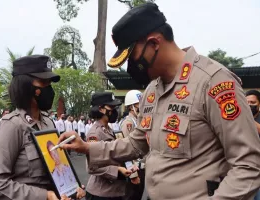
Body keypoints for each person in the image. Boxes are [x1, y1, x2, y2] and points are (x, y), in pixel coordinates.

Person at [57, 3, 260, 200]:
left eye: (132, 57)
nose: (131, 66)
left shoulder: (213, 82)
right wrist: (86, 147)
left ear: (154, 43)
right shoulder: (152, 91)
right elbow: (135, 144)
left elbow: (249, 164)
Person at [0, 55, 85, 200]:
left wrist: (71, 187)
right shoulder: (11, 126)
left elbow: (54, 169)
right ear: (25, 86)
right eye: (43, 82)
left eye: (50, 83)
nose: (49, 89)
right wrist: (45, 196)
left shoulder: (48, 123)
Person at [85, 92, 132, 200]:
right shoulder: (95, 134)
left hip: (114, 191)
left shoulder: (109, 130)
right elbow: (91, 167)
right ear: (101, 109)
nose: (114, 110)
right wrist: (117, 169)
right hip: (101, 193)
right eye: (111, 107)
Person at [120, 90, 146, 200]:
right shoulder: (128, 123)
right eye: (138, 104)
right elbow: (126, 151)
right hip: (134, 169)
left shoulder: (138, 121)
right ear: (131, 107)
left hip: (141, 167)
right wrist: (133, 175)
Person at [245, 90, 260, 200]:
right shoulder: (241, 119)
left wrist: (250, 121)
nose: (250, 105)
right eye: (247, 103)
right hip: (245, 165)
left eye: (253, 103)